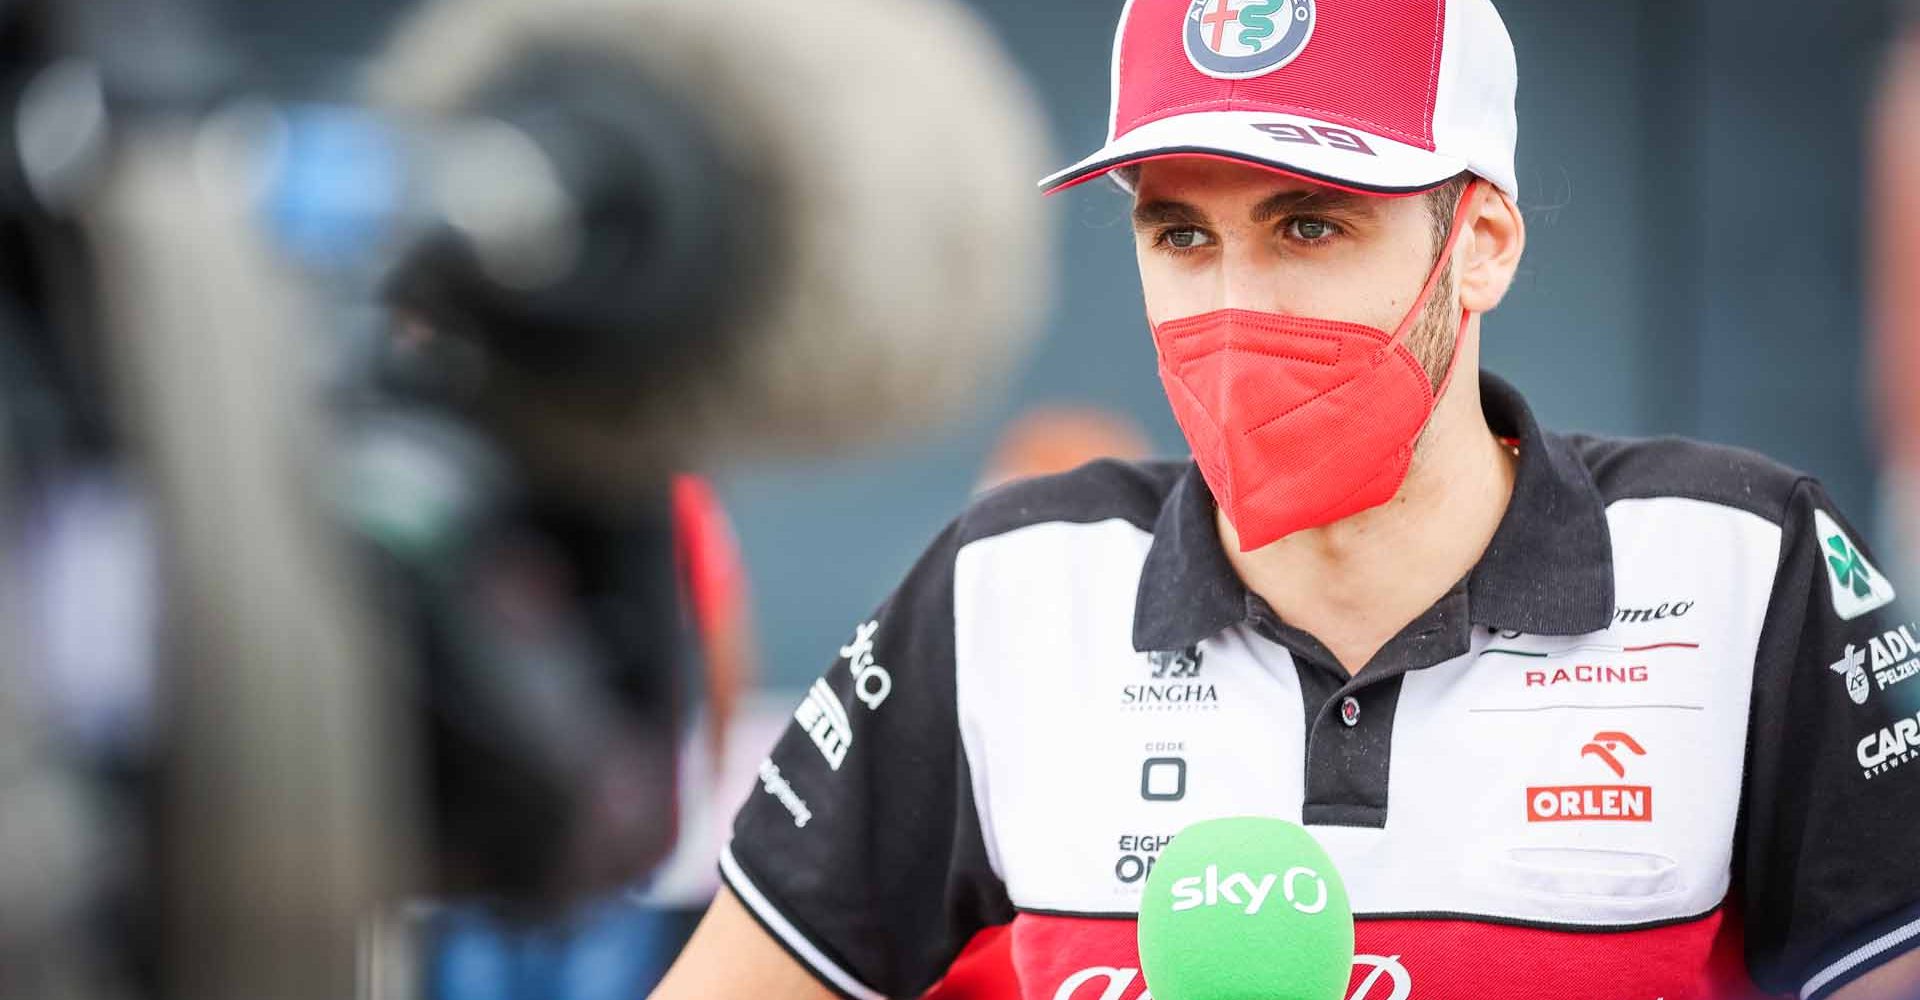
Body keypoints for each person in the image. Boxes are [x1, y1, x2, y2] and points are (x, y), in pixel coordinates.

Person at [652, 1, 1920, 998]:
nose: (1230, 310)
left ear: (1481, 243)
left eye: (1309, 227)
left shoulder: (1743, 564)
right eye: (1181, 236)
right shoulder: (1008, 587)